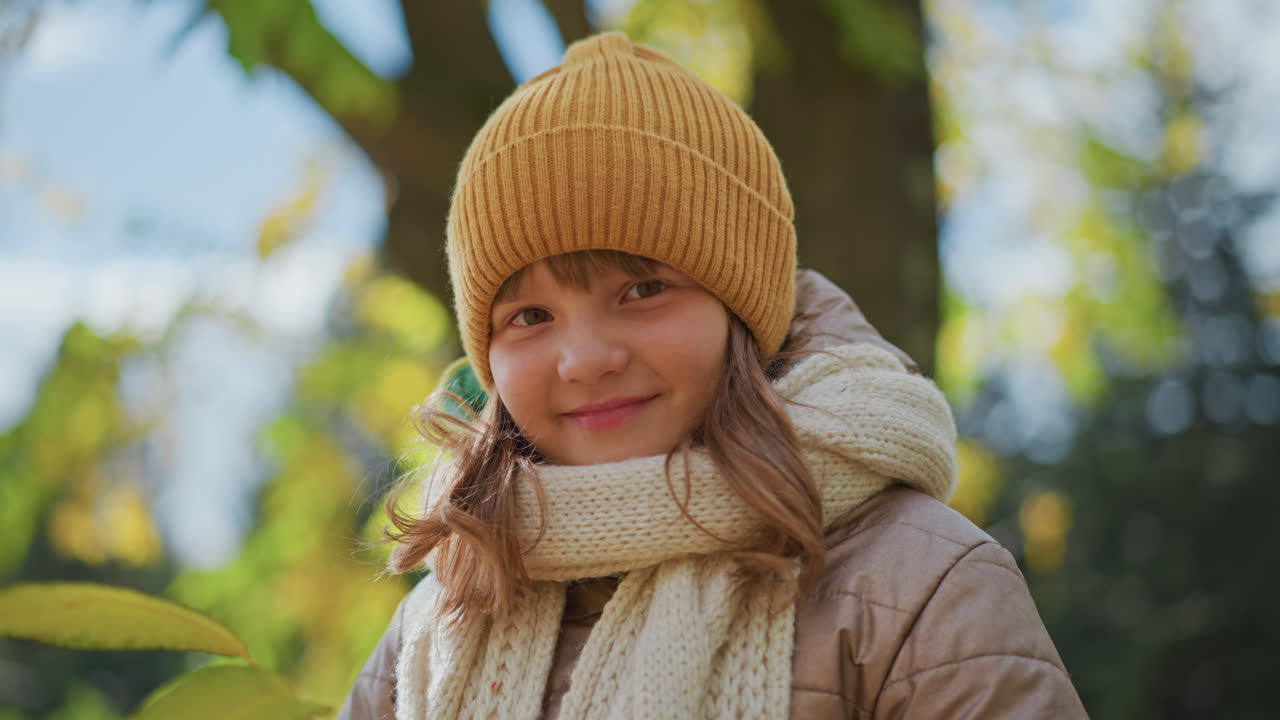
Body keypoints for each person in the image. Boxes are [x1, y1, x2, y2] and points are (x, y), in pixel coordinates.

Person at [340, 31, 1087, 720]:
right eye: (530, 317)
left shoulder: (920, 588)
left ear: (742, 311)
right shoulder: (440, 620)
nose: (586, 358)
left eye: (642, 290)